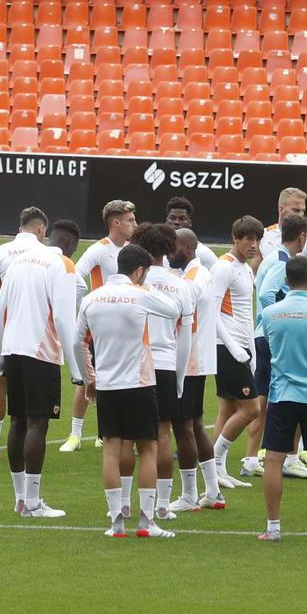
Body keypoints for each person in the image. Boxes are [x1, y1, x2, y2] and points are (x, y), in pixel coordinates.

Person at [76, 244, 182, 538]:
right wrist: (146, 285)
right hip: (139, 383)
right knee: (147, 449)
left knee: (111, 451)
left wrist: (90, 379)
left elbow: (78, 343)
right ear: (139, 271)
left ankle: (116, 522)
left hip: (108, 385)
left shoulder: (91, 298)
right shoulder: (141, 293)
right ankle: (146, 522)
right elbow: (175, 309)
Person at [0, 216, 84, 517]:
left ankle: (20, 498)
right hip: (41, 352)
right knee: (37, 424)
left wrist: (2, 354)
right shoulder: (65, 266)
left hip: (12, 349)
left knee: (17, 421)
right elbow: (63, 319)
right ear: (71, 245)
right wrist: (76, 368)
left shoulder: (18, 261)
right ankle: (32, 502)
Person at [256, 256, 307, 543]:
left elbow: (268, 345)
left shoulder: (270, 314)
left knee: (274, 461)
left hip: (282, 395)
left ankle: (274, 528)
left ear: (285, 281)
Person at [61, 199, 137, 453]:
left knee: (120, 379)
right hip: (99, 326)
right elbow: (74, 276)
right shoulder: (98, 250)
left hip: (126, 327)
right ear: (116, 223)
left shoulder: (133, 249)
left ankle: (106, 433)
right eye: (130, 220)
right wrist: (84, 310)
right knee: (86, 379)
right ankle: (75, 434)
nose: (134, 224)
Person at [0, 206, 50, 460]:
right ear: (41, 229)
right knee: (36, 394)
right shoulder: (49, 253)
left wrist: (1, 323)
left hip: (8, 333)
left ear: (20, 228)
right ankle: (34, 441)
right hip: (41, 336)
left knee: (0, 385)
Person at [246, 213, 307, 482]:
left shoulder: (272, 257)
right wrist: (277, 319)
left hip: (264, 334)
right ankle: (288, 457)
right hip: (273, 336)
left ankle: (253, 458)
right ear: (302, 236)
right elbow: (265, 293)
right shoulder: (282, 261)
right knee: (292, 393)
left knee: (263, 397)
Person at [132, 222, 193, 520]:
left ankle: (123, 504)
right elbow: (186, 338)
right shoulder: (180, 284)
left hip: (134, 362)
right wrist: (180, 378)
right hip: (167, 364)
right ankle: (164, 505)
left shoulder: (134, 280)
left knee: (128, 435)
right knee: (164, 434)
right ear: (170, 247)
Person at [209, 216, 264, 487]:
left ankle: (215, 473)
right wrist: (233, 347)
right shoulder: (223, 268)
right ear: (235, 238)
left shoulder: (247, 269)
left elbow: (247, 314)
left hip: (243, 346)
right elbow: (212, 311)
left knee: (228, 408)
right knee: (252, 408)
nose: (253, 244)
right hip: (227, 347)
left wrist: (251, 351)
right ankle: (215, 463)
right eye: (248, 239)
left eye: (257, 239)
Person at [172, 226, 223, 511]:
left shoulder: (191, 280)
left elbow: (179, 318)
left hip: (188, 362)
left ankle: (190, 494)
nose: (170, 253)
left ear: (189, 248)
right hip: (199, 359)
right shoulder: (201, 274)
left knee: (183, 427)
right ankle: (213, 491)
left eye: (174, 247)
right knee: (195, 424)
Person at [257, 189, 307, 292]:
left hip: (298, 305)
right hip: (271, 304)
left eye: (303, 211)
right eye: (296, 210)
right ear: (281, 209)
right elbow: (255, 275)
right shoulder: (263, 237)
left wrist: (299, 279)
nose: (301, 215)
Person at [163, 196, 217, 272]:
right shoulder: (159, 251)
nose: (177, 222)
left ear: (190, 223)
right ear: (166, 222)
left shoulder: (204, 254)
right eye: (172, 218)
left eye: (182, 218)